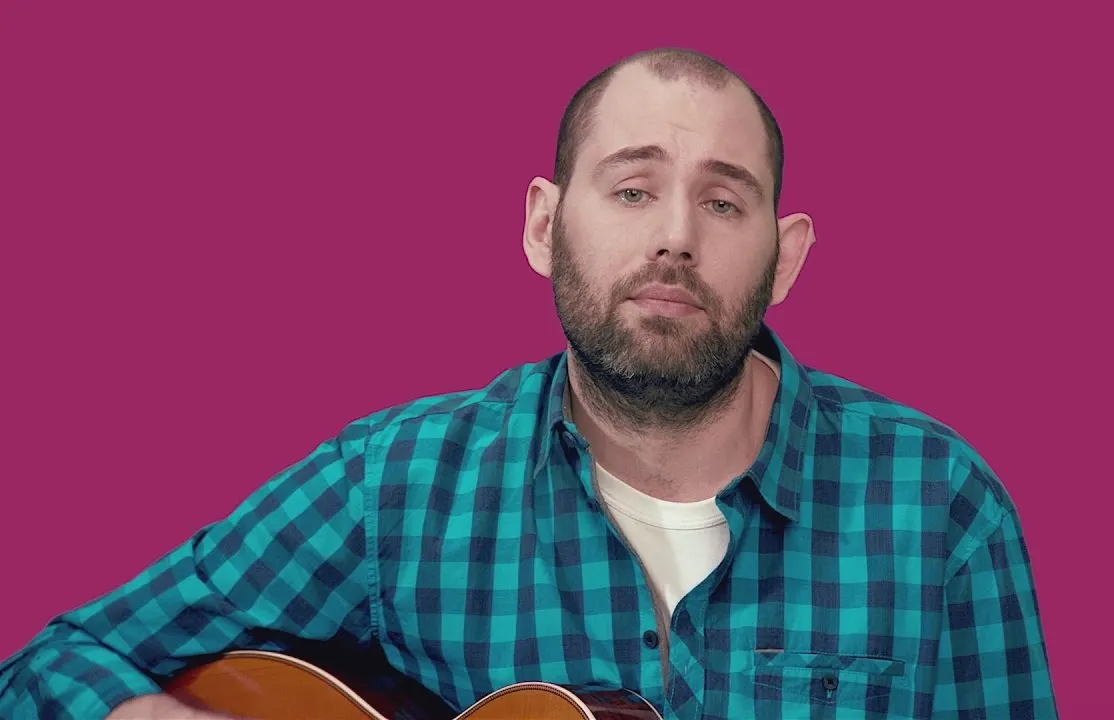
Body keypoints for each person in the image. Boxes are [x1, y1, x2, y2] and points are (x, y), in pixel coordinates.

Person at [0, 47, 1059, 719]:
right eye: (632, 190)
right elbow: (57, 663)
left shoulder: (941, 508)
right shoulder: (393, 485)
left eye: (722, 203)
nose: (675, 238)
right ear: (545, 226)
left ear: (784, 259)